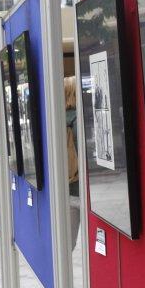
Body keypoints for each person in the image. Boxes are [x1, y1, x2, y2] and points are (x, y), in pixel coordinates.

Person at [64, 76, 80, 250]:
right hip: (80, 184)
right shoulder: (78, 117)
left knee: (68, 243)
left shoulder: (55, 117)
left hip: (67, 184)